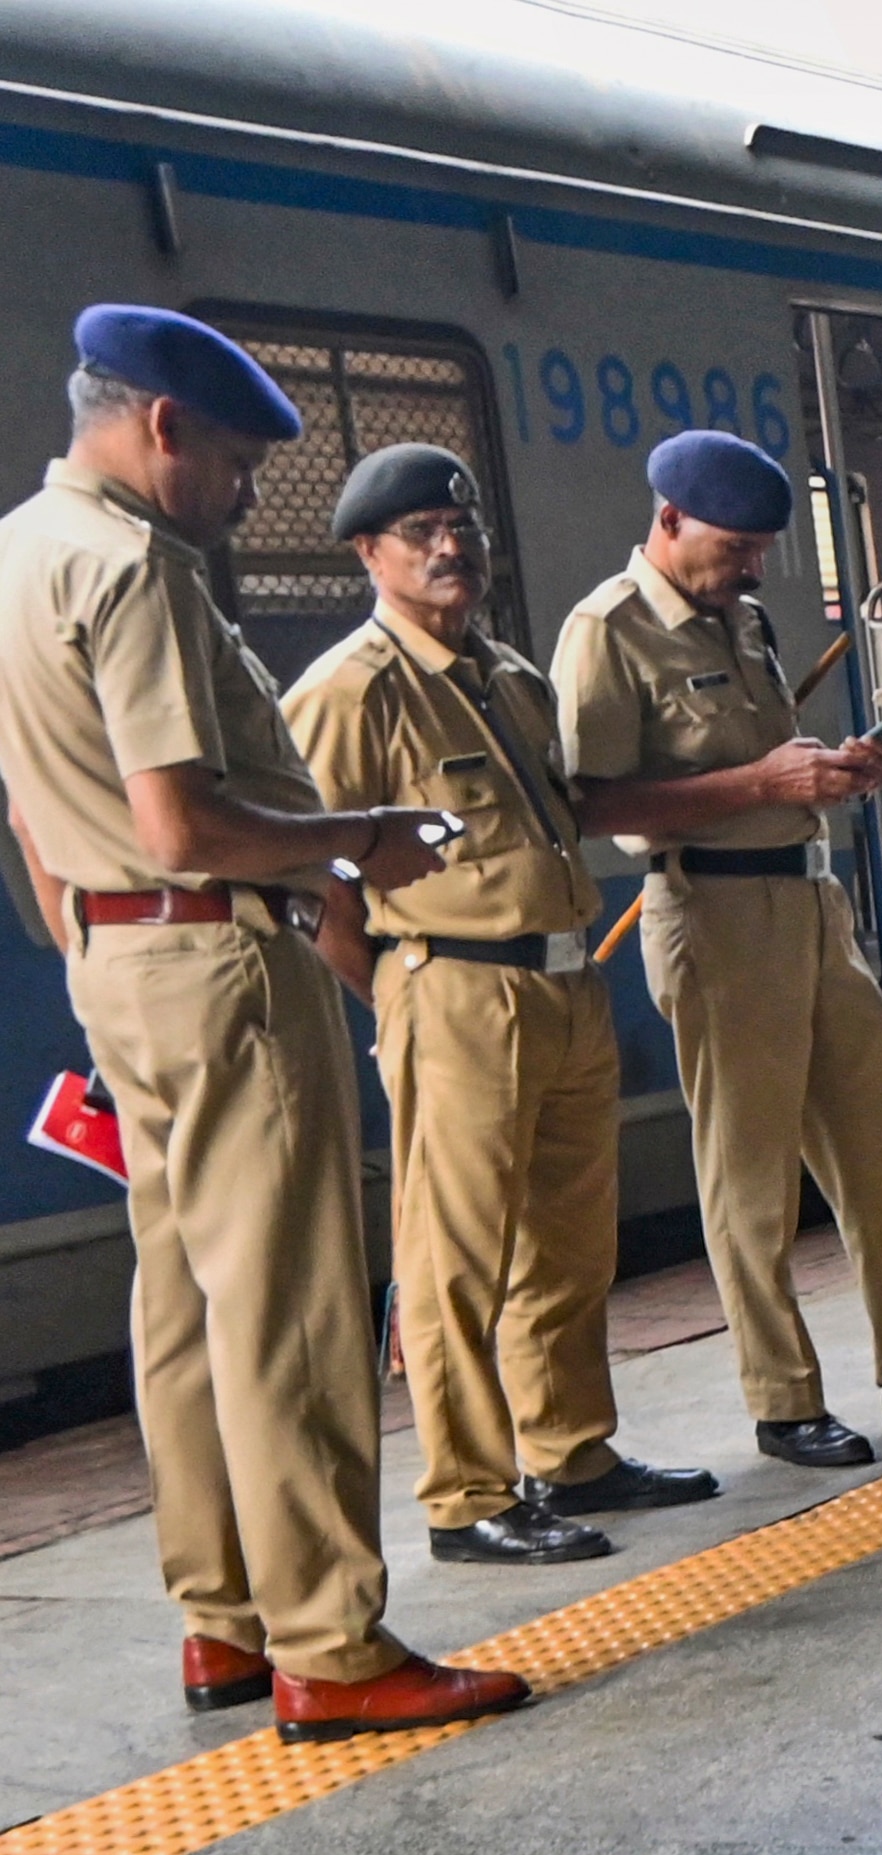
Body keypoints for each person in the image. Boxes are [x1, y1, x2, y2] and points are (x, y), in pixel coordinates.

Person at [0, 308, 526, 1735]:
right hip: (223, 967)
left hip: (121, 971)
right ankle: (332, 1646)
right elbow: (182, 819)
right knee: (290, 1308)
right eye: (235, 463)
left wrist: (88, 941)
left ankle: (222, 1621)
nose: (243, 496)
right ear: (164, 427)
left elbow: (35, 812)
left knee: (181, 1309)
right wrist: (357, 839)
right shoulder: (130, 568)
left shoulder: (16, 552)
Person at [556, 430, 882, 1467]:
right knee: (752, 1180)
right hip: (714, 919)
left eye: (761, 550)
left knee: (881, 1159)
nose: (753, 569)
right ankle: (784, 1402)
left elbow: (759, 759)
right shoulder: (609, 631)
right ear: (669, 520)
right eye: (735, 548)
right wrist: (763, 787)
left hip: (811, 908)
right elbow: (593, 801)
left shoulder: (742, 619)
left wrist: (829, 771)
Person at [284, 441, 712, 1567]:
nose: (449, 547)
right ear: (369, 554)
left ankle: (570, 1449)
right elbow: (312, 879)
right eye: (419, 532)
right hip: (456, 989)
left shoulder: (509, 680)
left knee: (570, 1242)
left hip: (565, 980)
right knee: (455, 1257)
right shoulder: (349, 694)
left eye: (460, 526)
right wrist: (388, 989)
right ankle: (467, 1492)